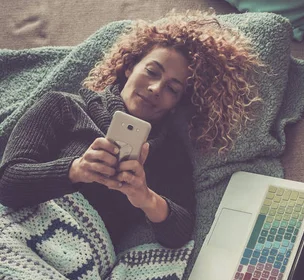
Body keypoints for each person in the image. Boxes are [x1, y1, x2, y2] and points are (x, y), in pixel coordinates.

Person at [0, 10, 262, 249]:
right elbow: (7, 182)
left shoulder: (170, 154)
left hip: (80, 263)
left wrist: (145, 197)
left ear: (176, 105)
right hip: (17, 236)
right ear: (128, 67)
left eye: (172, 89)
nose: (156, 88)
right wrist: (76, 169)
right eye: (151, 71)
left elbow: (180, 234)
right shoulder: (63, 106)